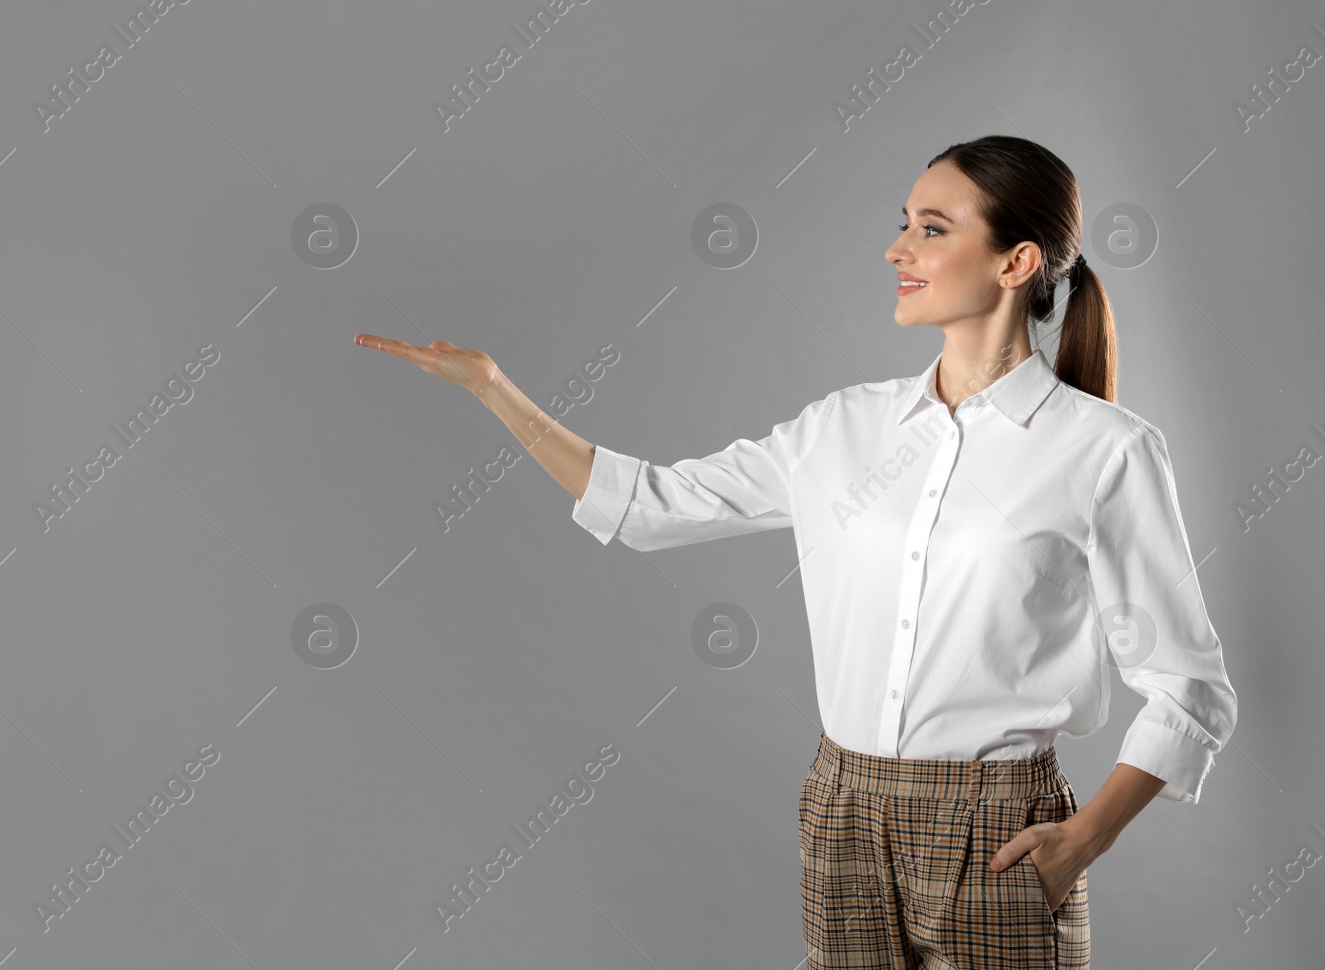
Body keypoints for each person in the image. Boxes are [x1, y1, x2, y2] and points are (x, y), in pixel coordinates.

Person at [353, 134, 1238, 969]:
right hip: (841, 812)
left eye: (932, 229)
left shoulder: (1105, 450)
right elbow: (654, 504)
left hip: (997, 827)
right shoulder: (842, 428)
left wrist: (1085, 839)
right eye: (903, 223)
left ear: (1016, 263)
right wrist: (496, 390)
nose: (899, 249)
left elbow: (1189, 685)